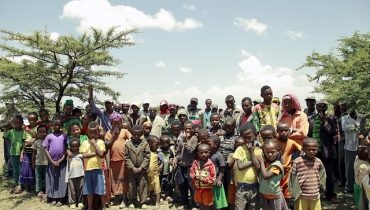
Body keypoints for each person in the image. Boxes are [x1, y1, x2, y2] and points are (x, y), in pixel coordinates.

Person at [307, 99, 338, 203]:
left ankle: (330, 194)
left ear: (326, 108)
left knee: (329, 174)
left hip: (327, 152)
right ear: (316, 108)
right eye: (319, 106)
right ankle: (316, 194)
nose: (321, 109)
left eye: (323, 107)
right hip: (314, 152)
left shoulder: (331, 118)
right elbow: (308, 134)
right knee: (313, 174)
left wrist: (324, 122)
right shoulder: (310, 118)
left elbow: (333, 132)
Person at [289, 138, 326, 210]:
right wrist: (294, 192)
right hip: (301, 195)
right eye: (308, 149)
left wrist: (322, 187)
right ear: (303, 149)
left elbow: (322, 175)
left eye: (314, 149)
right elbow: (292, 178)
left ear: (317, 149)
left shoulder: (318, 162)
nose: (311, 152)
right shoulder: (298, 161)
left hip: (315, 195)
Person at [233, 122, 263, 210]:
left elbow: (258, 167)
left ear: (255, 135)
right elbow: (240, 167)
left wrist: (251, 152)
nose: (247, 140)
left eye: (249, 137)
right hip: (241, 187)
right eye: (244, 138)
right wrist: (253, 161)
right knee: (239, 208)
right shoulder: (240, 149)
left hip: (254, 186)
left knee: (253, 207)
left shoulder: (258, 150)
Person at [105, 114, 132, 209]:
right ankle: (116, 198)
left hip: (123, 160)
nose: (116, 125)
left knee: (124, 180)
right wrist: (114, 135)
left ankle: (124, 199)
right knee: (115, 180)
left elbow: (132, 140)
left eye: (118, 123)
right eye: (114, 123)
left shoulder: (124, 131)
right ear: (111, 123)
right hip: (113, 160)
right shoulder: (108, 133)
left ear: (121, 123)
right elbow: (107, 145)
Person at [80, 121, 106, 210]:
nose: (92, 134)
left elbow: (101, 154)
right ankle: (90, 207)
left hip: (98, 169)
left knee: (101, 190)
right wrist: (96, 153)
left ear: (98, 132)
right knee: (89, 190)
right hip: (88, 169)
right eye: (90, 132)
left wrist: (94, 143)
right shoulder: (84, 143)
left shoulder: (101, 142)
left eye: (95, 132)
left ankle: (103, 207)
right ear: (87, 132)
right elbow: (84, 155)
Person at [43, 116, 68, 207]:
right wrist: (52, 161)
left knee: (61, 180)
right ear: (52, 125)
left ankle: (61, 198)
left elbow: (66, 149)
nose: (57, 126)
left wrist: (61, 160)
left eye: (59, 124)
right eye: (55, 125)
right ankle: (53, 197)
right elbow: (46, 149)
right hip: (51, 163)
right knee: (52, 179)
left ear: (61, 125)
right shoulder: (49, 136)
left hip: (62, 163)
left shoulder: (64, 136)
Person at [173, 120, 198, 210]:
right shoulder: (181, 140)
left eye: (189, 129)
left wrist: (187, 140)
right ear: (183, 129)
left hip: (190, 167)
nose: (187, 131)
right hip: (181, 167)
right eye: (186, 129)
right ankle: (185, 204)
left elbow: (190, 150)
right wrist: (176, 159)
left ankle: (195, 205)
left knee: (192, 187)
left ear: (192, 129)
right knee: (182, 186)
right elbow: (179, 152)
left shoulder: (194, 139)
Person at [275, 121, 302, 206]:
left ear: (289, 131)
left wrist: (297, 160)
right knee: (277, 193)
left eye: (286, 130)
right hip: (276, 171)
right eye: (281, 130)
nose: (284, 132)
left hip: (287, 172)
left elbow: (302, 150)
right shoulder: (274, 142)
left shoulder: (291, 142)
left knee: (287, 193)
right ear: (277, 131)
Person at [124, 125, 151, 209]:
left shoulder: (145, 143)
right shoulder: (128, 144)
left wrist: (141, 167)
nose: (136, 136)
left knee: (143, 185)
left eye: (138, 134)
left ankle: (143, 201)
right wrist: (132, 167)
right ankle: (132, 201)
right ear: (131, 134)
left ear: (141, 134)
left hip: (142, 170)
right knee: (132, 186)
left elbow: (147, 156)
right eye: (134, 134)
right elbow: (126, 157)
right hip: (132, 170)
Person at [257, 139, 287, 210]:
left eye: (273, 152)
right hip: (265, 194)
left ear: (278, 151)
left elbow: (266, 176)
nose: (270, 154)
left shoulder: (277, 165)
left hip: (274, 196)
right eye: (267, 152)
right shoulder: (266, 163)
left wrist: (261, 162)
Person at [341, 108, 364, 193]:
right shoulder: (344, 118)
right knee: (349, 168)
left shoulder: (362, 117)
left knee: (362, 167)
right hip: (349, 147)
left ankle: (361, 187)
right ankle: (349, 187)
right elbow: (344, 128)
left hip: (361, 147)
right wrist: (355, 126)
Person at [190, 144, 216, 210]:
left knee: (208, 205)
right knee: (200, 204)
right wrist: (194, 177)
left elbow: (213, 177)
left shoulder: (210, 165)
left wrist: (204, 180)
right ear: (198, 153)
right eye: (201, 153)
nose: (204, 154)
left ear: (209, 153)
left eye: (206, 152)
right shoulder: (196, 163)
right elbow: (191, 172)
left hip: (207, 189)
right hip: (198, 188)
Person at [0, 100, 22, 179]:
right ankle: (10, 172)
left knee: (10, 155)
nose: (7, 105)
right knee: (6, 155)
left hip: (14, 136)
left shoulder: (17, 111)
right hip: (7, 135)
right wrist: (8, 123)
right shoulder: (5, 112)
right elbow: (1, 125)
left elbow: (17, 124)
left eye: (8, 103)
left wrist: (8, 124)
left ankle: (9, 173)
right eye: (6, 103)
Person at [3, 115, 24, 194]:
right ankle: (17, 184)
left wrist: (22, 153)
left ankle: (21, 184)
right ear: (13, 124)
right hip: (13, 153)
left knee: (21, 169)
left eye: (19, 123)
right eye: (16, 123)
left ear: (22, 123)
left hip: (21, 154)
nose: (17, 125)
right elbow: (4, 136)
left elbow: (24, 142)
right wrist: (10, 141)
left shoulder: (23, 131)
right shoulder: (11, 132)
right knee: (15, 170)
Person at [207, 135, 228, 209]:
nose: (208, 146)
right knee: (211, 198)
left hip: (216, 180)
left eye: (209, 144)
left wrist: (219, 179)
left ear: (216, 145)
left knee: (218, 200)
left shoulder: (218, 155)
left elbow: (222, 168)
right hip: (209, 179)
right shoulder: (208, 154)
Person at [20, 112, 38, 193]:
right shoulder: (25, 130)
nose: (32, 122)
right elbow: (24, 142)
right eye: (30, 120)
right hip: (27, 153)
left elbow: (38, 136)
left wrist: (33, 138)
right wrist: (21, 154)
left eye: (34, 120)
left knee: (34, 169)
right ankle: (27, 188)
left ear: (37, 120)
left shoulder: (38, 128)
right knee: (26, 170)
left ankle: (36, 188)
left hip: (36, 153)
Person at [65, 137, 85, 209]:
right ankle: (72, 202)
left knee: (81, 188)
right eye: (73, 146)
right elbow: (65, 150)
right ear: (71, 147)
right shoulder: (69, 154)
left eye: (77, 146)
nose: (75, 148)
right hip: (71, 174)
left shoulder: (81, 154)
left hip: (81, 174)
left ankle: (80, 201)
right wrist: (68, 151)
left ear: (79, 146)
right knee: (72, 190)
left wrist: (78, 152)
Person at [226, 137, 244, 210]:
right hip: (232, 181)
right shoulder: (231, 155)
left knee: (241, 200)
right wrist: (236, 155)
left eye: (242, 145)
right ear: (235, 145)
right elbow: (229, 165)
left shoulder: (246, 155)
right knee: (232, 200)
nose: (240, 147)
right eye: (238, 145)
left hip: (242, 181)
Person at [147, 135, 164, 209]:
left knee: (157, 189)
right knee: (150, 188)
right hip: (148, 174)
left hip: (155, 174)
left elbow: (162, 161)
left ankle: (157, 203)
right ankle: (151, 199)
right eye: (156, 144)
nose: (158, 146)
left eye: (159, 144)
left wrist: (161, 166)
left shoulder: (158, 153)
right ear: (150, 144)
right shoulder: (147, 152)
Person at [32, 125, 48, 197]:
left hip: (47, 163)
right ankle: (39, 190)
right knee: (38, 177)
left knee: (46, 177)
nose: (42, 134)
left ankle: (47, 189)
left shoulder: (49, 141)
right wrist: (33, 162)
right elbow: (34, 153)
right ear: (37, 133)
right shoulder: (36, 142)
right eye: (40, 132)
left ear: (47, 132)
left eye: (44, 132)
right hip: (38, 162)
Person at [158, 135, 175, 204]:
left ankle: (167, 196)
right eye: (164, 143)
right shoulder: (158, 151)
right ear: (160, 143)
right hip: (160, 172)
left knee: (167, 183)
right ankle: (160, 197)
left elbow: (171, 157)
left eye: (167, 143)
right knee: (160, 184)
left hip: (167, 171)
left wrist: (171, 161)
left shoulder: (170, 151)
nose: (166, 144)